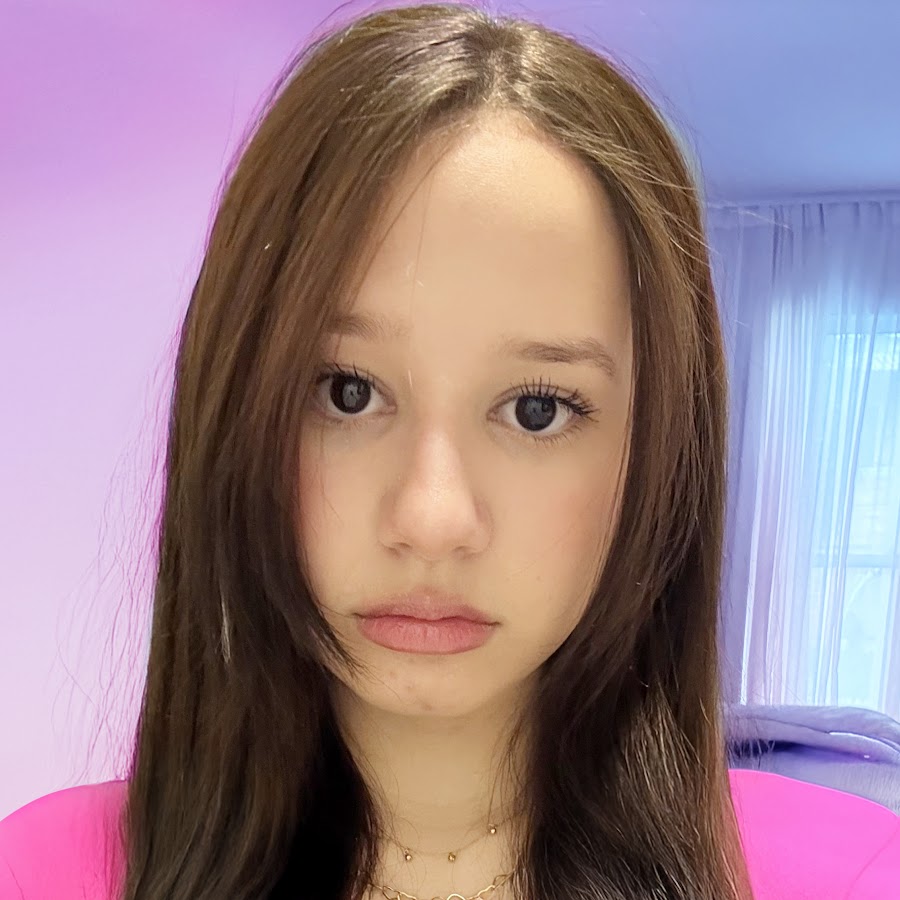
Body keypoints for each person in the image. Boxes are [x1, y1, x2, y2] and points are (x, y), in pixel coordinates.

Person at [2, 3, 898, 899]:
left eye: (538, 410)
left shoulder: (854, 875)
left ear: (659, 463)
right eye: (346, 392)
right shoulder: (43, 872)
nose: (432, 518)